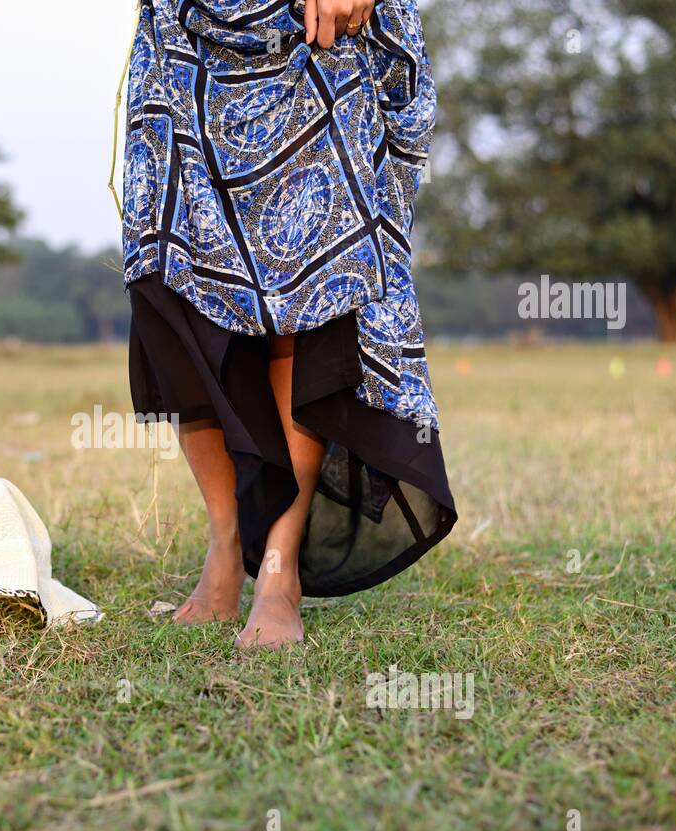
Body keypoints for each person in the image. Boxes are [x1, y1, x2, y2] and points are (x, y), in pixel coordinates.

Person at [121, 0, 456, 649]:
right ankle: (224, 542)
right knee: (175, 280)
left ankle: (278, 571)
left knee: (304, 275)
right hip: (180, 35)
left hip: (310, 27)